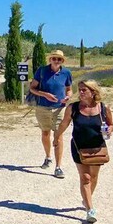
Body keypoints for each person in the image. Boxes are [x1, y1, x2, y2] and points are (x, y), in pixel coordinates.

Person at [54, 80, 113, 224]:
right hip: (79, 147)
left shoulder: (104, 108)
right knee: (85, 177)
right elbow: (63, 124)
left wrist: (109, 131)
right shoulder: (73, 108)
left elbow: (111, 124)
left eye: (84, 90)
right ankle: (90, 210)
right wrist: (56, 138)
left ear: (93, 92)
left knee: (93, 177)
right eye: (79, 90)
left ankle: (86, 199)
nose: (80, 92)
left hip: (97, 148)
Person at [29, 49, 72, 178]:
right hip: (42, 107)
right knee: (45, 133)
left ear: (62, 61)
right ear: (50, 59)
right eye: (54, 58)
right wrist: (45, 94)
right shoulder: (41, 71)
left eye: (59, 59)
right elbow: (32, 88)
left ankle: (58, 167)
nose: (56, 61)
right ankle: (48, 157)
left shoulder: (66, 73)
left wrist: (68, 97)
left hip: (59, 108)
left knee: (58, 136)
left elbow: (69, 90)